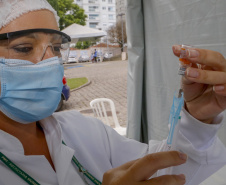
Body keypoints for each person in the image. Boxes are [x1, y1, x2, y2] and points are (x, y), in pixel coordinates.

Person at [0, 0, 225, 185]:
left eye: (57, 48)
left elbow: (164, 171)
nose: (51, 62)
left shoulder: (82, 130)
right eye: (24, 48)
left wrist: (197, 119)